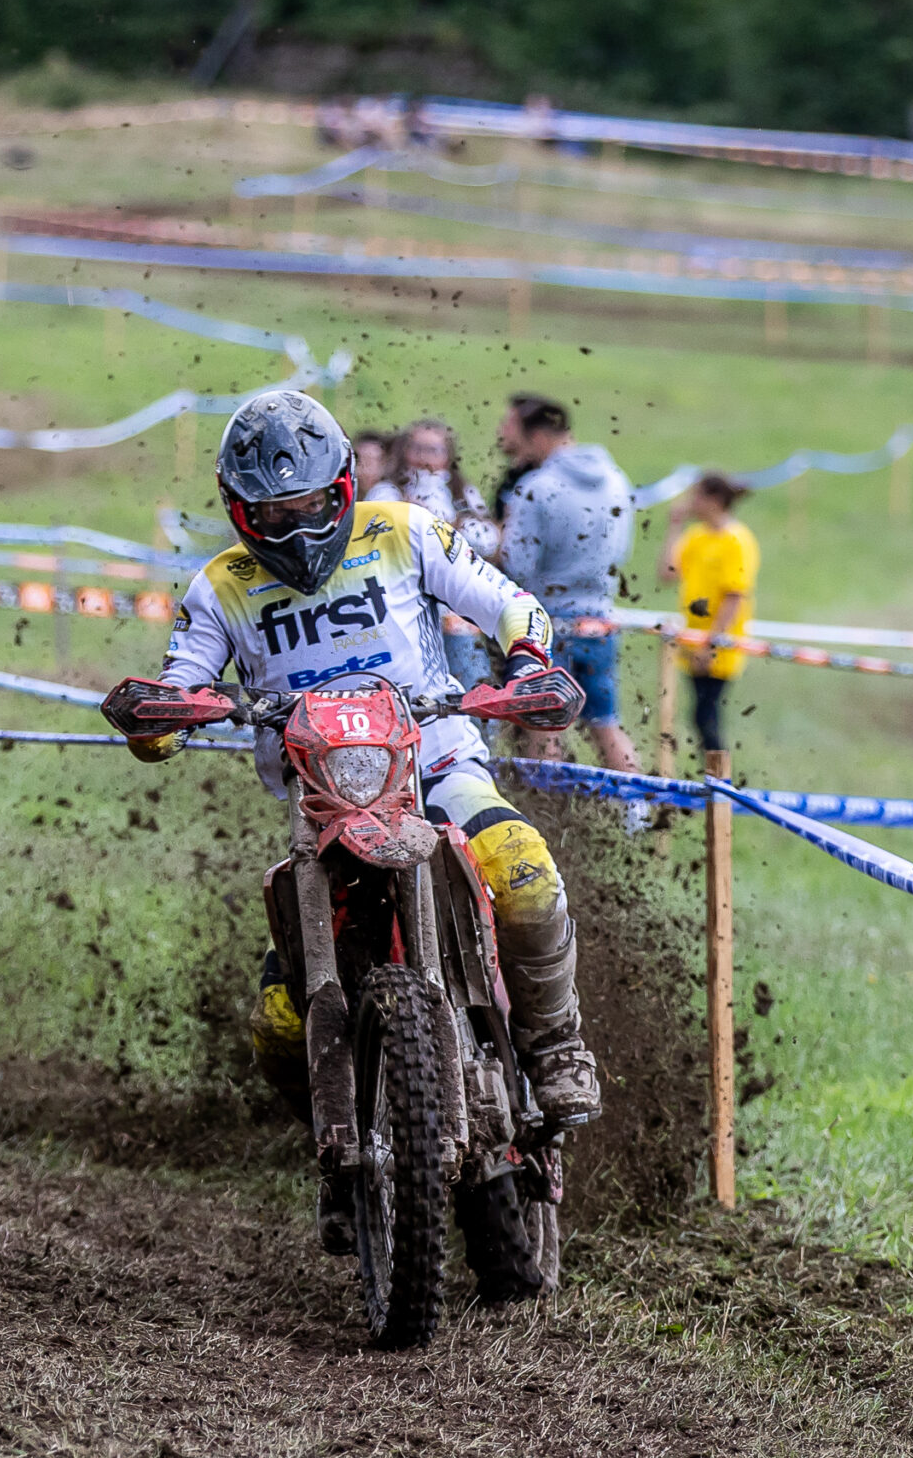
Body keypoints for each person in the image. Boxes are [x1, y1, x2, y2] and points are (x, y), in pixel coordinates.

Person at [126, 389, 605, 1247]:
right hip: (322, 801)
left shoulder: (402, 531)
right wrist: (163, 715)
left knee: (524, 870)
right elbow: (181, 678)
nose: (296, 521)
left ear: (342, 484)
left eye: (311, 501)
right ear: (241, 508)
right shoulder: (221, 586)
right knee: (279, 1024)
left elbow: (507, 599)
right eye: (274, 510)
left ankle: (556, 1043)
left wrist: (528, 656)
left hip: (435, 759)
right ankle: (340, 1146)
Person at [494, 392, 640, 772]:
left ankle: (546, 802)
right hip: (599, 618)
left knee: (543, 726)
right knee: (605, 723)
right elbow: (623, 551)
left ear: (539, 436)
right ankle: (637, 802)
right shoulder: (616, 479)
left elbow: (518, 563)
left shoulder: (536, 487)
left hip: (548, 621)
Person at [367, 416, 500, 693]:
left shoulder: (461, 493)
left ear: (448, 456)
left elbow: (489, 540)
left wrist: (447, 525)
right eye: (417, 448)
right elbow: (373, 540)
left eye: (433, 450)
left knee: (472, 684)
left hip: (456, 614)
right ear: (404, 450)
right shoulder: (387, 491)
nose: (424, 459)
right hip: (404, 608)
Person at [658, 473, 760, 757]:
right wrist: (674, 526)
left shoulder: (736, 540)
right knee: (701, 716)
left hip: (718, 645)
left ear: (713, 500)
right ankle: (714, 776)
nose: (690, 502)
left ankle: (719, 777)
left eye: (696, 496)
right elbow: (667, 573)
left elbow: (734, 596)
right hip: (693, 640)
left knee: (706, 716)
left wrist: (711, 644)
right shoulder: (697, 536)